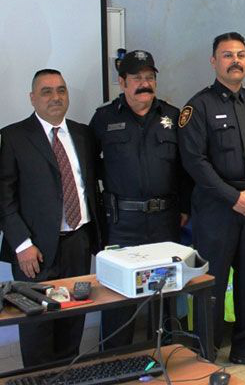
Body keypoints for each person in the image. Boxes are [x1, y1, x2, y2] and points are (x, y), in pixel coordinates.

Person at [178, 32, 245, 369]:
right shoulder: (199, 107)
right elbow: (195, 162)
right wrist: (232, 197)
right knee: (213, 284)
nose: (235, 60)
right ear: (214, 62)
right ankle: (206, 350)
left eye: (241, 54)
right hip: (217, 208)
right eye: (227, 55)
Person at [90, 49, 192, 350]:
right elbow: (90, 167)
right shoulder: (104, 118)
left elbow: (187, 169)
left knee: (168, 291)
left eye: (149, 77)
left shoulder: (173, 117)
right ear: (122, 82)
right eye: (137, 78)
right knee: (119, 296)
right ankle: (114, 360)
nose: (144, 83)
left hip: (165, 220)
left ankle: (170, 355)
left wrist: (184, 207)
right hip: (123, 221)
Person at [0, 69, 101, 367]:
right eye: (46, 91)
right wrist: (21, 245)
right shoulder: (13, 137)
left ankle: (67, 376)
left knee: (73, 321)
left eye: (61, 90)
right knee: (37, 328)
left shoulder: (84, 135)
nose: (55, 97)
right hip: (35, 250)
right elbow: (3, 197)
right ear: (32, 98)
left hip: (78, 243)